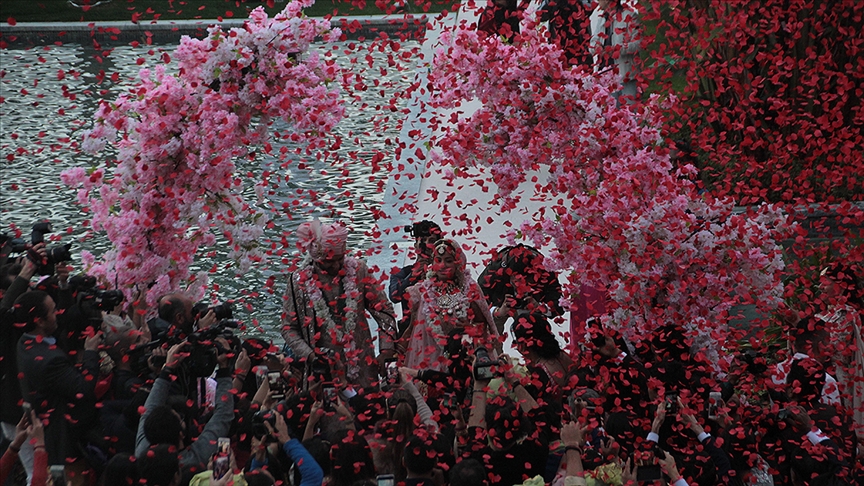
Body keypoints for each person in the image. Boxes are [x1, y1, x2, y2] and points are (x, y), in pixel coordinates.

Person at [281, 220, 397, 389]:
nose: (336, 266)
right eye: (329, 262)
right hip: (323, 373)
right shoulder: (298, 282)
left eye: (340, 259)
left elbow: (384, 310)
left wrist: (386, 350)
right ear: (316, 258)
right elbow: (288, 328)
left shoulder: (359, 270)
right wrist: (312, 356)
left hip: (363, 368)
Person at [15, 290, 103, 468]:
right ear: (39, 321)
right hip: (64, 441)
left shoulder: (24, 342)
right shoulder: (50, 360)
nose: (57, 315)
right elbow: (83, 389)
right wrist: (91, 353)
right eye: (53, 311)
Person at [401, 239, 498, 371]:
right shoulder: (420, 292)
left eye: (448, 260)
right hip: (430, 363)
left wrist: (470, 328)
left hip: (464, 361)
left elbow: (483, 325)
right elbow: (413, 328)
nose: (442, 265)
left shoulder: (470, 289)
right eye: (438, 260)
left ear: (458, 263)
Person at [817, 263, 864, 440]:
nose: (820, 287)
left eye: (824, 282)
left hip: (840, 381)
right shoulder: (829, 313)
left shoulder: (847, 313)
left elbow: (830, 346)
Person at [389, 221, 442, 338]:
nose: (427, 245)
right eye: (422, 240)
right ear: (415, 245)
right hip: (410, 334)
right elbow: (394, 296)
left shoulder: (445, 272)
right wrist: (414, 275)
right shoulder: (402, 273)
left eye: (432, 241)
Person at [589, 0, 640, 100]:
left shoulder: (630, 16)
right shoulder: (602, 19)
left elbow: (638, 44)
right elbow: (592, 43)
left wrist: (618, 49)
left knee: (631, 113)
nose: (597, 1)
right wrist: (597, 47)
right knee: (609, 113)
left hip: (625, 77)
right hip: (606, 78)